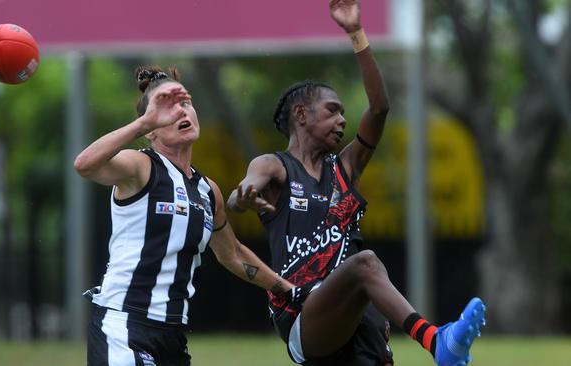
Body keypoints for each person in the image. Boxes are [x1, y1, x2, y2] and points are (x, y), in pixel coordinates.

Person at [227, 1, 486, 365]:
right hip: (303, 313)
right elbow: (239, 195)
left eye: (344, 113)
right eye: (332, 110)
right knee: (365, 263)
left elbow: (379, 108)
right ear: (300, 115)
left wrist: (356, 33)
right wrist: (245, 196)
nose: (342, 120)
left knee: (362, 274)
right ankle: (436, 340)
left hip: (357, 313)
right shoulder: (275, 166)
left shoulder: (345, 167)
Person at [74, 66, 294, 366]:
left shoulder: (207, 190)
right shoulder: (140, 166)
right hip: (124, 327)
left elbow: (233, 254)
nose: (181, 112)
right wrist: (142, 122)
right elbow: (84, 165)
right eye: (167, 108)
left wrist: (290, 291)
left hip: (172, 336)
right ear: (151, 129)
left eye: (185, 104)